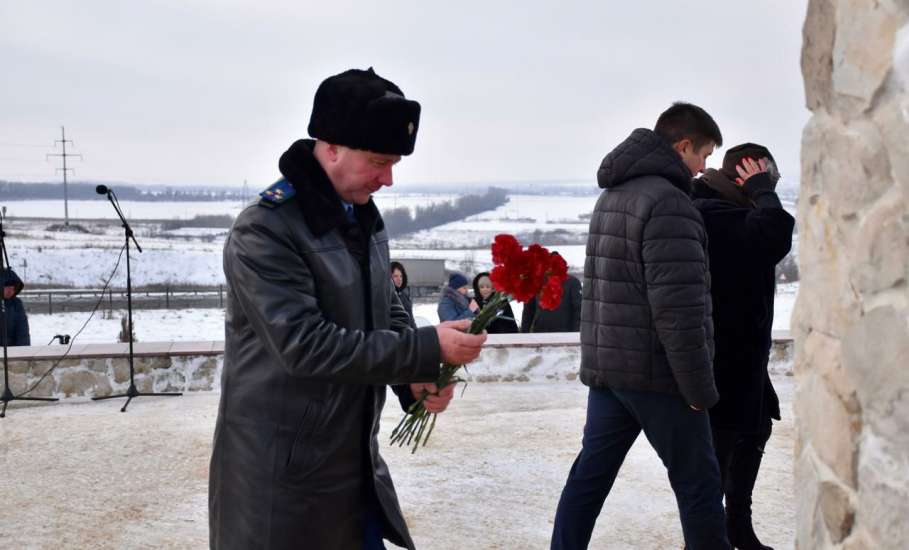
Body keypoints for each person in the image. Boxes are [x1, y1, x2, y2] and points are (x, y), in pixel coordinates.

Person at [209, 68, 487, 550]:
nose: (389, 179)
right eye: (379, 161)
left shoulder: (362, 218)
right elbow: (306, 347)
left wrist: (413, 378)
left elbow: (388, 311)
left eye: (394, 162)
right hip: (282, 482)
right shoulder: (265, 229)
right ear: (331, 146)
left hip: (353, 471)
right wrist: (425, 347)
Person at [551, 102, 730, 550]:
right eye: (704, 156)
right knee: (699, 485)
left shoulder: (612, 196)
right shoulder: (670, 203)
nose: (703, 168)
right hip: (658, 374)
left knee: (588, 479)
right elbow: (679, 308)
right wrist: (698, 388)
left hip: (610, 370)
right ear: (683, 145)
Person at [693, 143, 794, 550]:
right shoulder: (712, 211)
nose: (772, 187)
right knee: (717, 451)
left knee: (756, 429)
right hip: (720, 357)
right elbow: (775, 235)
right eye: (770, 178)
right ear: (746, 176)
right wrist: (762, 190)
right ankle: (705, 538)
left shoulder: (734, 211)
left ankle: (737, 527)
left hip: (746, 356)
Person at [520, 253, 581, 332]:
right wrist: (524, 333)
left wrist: (575, 333)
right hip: (541, 332)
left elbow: (578, 311)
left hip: (565, 333)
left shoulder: (572, 282)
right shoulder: (536, 282)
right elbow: (528, 312)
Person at [1, 268, 30, 347]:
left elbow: (22, 331)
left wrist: (22, 352)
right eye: (7, 288)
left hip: (13, 352)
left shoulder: (16, 304)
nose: (10, 291)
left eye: (13, 289)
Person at [390, 261, 415, 325]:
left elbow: (411, 318)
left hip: (410, 332)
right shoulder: (388, 296)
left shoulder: (403, 294)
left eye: (401, 276)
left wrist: (416, 332)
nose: (399, 279)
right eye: (395, 276)